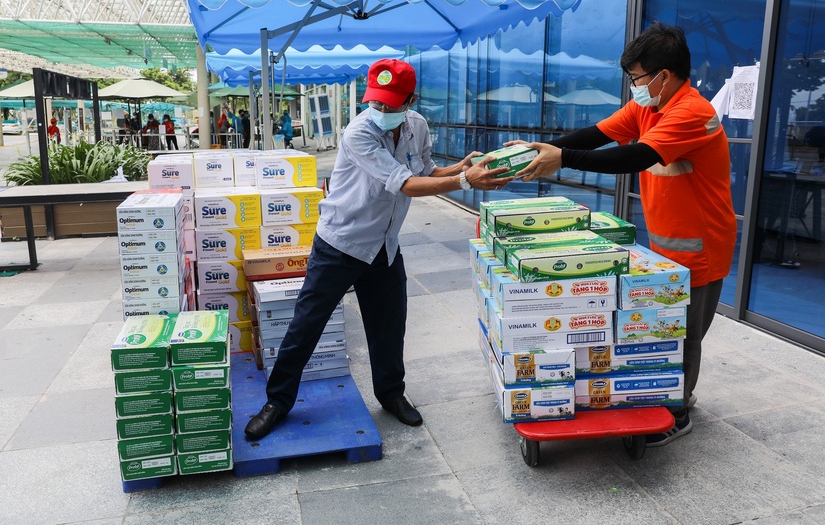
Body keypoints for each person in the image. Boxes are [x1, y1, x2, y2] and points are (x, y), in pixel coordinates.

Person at [244, 58, 513, 440]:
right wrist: (466, 181)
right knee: (307, 324)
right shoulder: (358, 132)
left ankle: (391, 394)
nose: (382, 110)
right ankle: (277, 402)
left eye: (391, 103)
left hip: (384, 246)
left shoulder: (416, 125)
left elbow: (423, 172)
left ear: (411, 99)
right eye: (377, 102)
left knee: (389, 325)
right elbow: (403, 184)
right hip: (341, 242)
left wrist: (459, 170)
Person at [508, 22, 737, 448]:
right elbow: (599, 134)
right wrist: (541, 149)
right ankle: (664, 392)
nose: (634, 87)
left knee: (684, 332)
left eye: (637, 78)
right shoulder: (650, 108)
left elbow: (635, 156)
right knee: (663, 328)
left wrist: (564, 159)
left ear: (663, 76)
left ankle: (679, 411)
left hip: (702, 246)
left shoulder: (692, 112)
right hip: (668, 241)